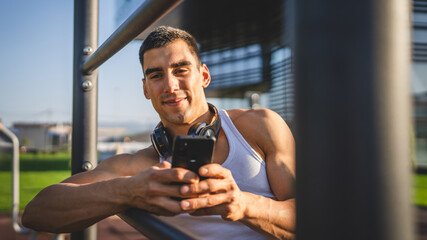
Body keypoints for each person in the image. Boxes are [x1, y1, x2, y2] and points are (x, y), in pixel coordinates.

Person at [22, 26, 296, 240]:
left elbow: (313, 220)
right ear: (145, 89)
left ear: (204, 76)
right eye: (155, 76)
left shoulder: (261, 125)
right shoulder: (138, 167)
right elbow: (37, 212)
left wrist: (244, 204)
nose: (170, 85)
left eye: (181, 70)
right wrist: (130, 191)